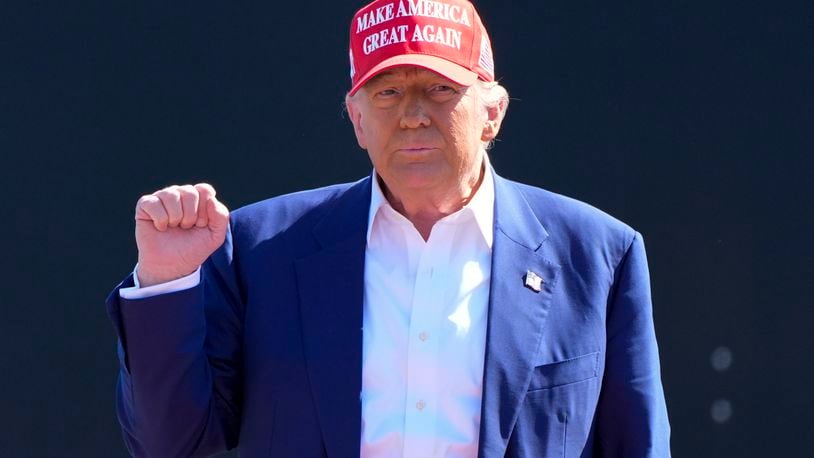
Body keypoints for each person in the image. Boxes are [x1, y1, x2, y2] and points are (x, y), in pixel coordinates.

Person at [106, 0, 671, 456]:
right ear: (356, 119)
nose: (413, 113)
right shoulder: (259, 250)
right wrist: (165, 284)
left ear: (492, 112)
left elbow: (636, 445)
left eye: (441, 89)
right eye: (388, 91)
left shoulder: (597, 254)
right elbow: (170, 443)